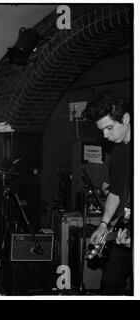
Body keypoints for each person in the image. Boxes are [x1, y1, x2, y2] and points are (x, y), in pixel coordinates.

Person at [84, 91, 132, 295]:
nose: (105, 135)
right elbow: (116, 190)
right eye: (102, 130)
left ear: (126, 118)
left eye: (110, 128)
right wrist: (104, 224)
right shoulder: (119, 151)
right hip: (125, 227)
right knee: (110, 283)